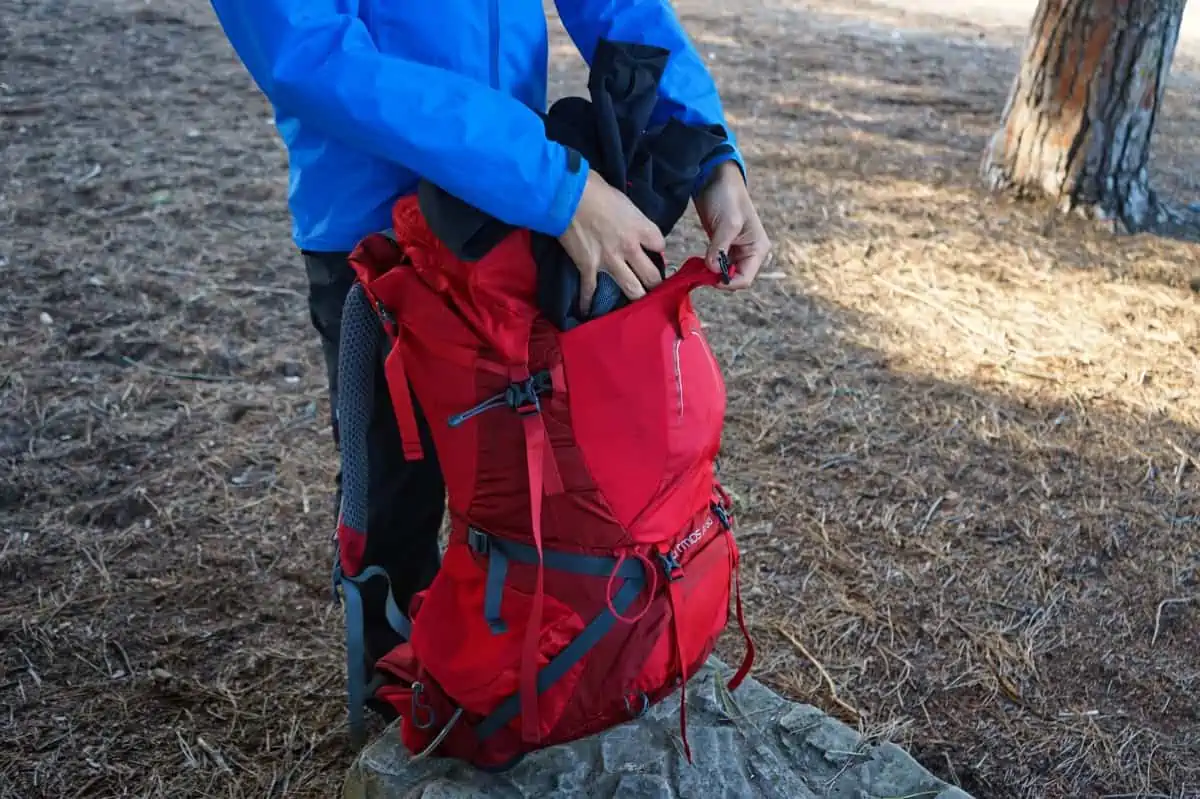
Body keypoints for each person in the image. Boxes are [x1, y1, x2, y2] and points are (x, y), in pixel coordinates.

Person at [209, 1, 771, 626]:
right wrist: (551, 183)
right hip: (382, 236)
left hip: (519, 216)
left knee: (539, 496)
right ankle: (398, 697)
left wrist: (708, 150)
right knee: (394, 510)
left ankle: (521, 689)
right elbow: (308, 54)